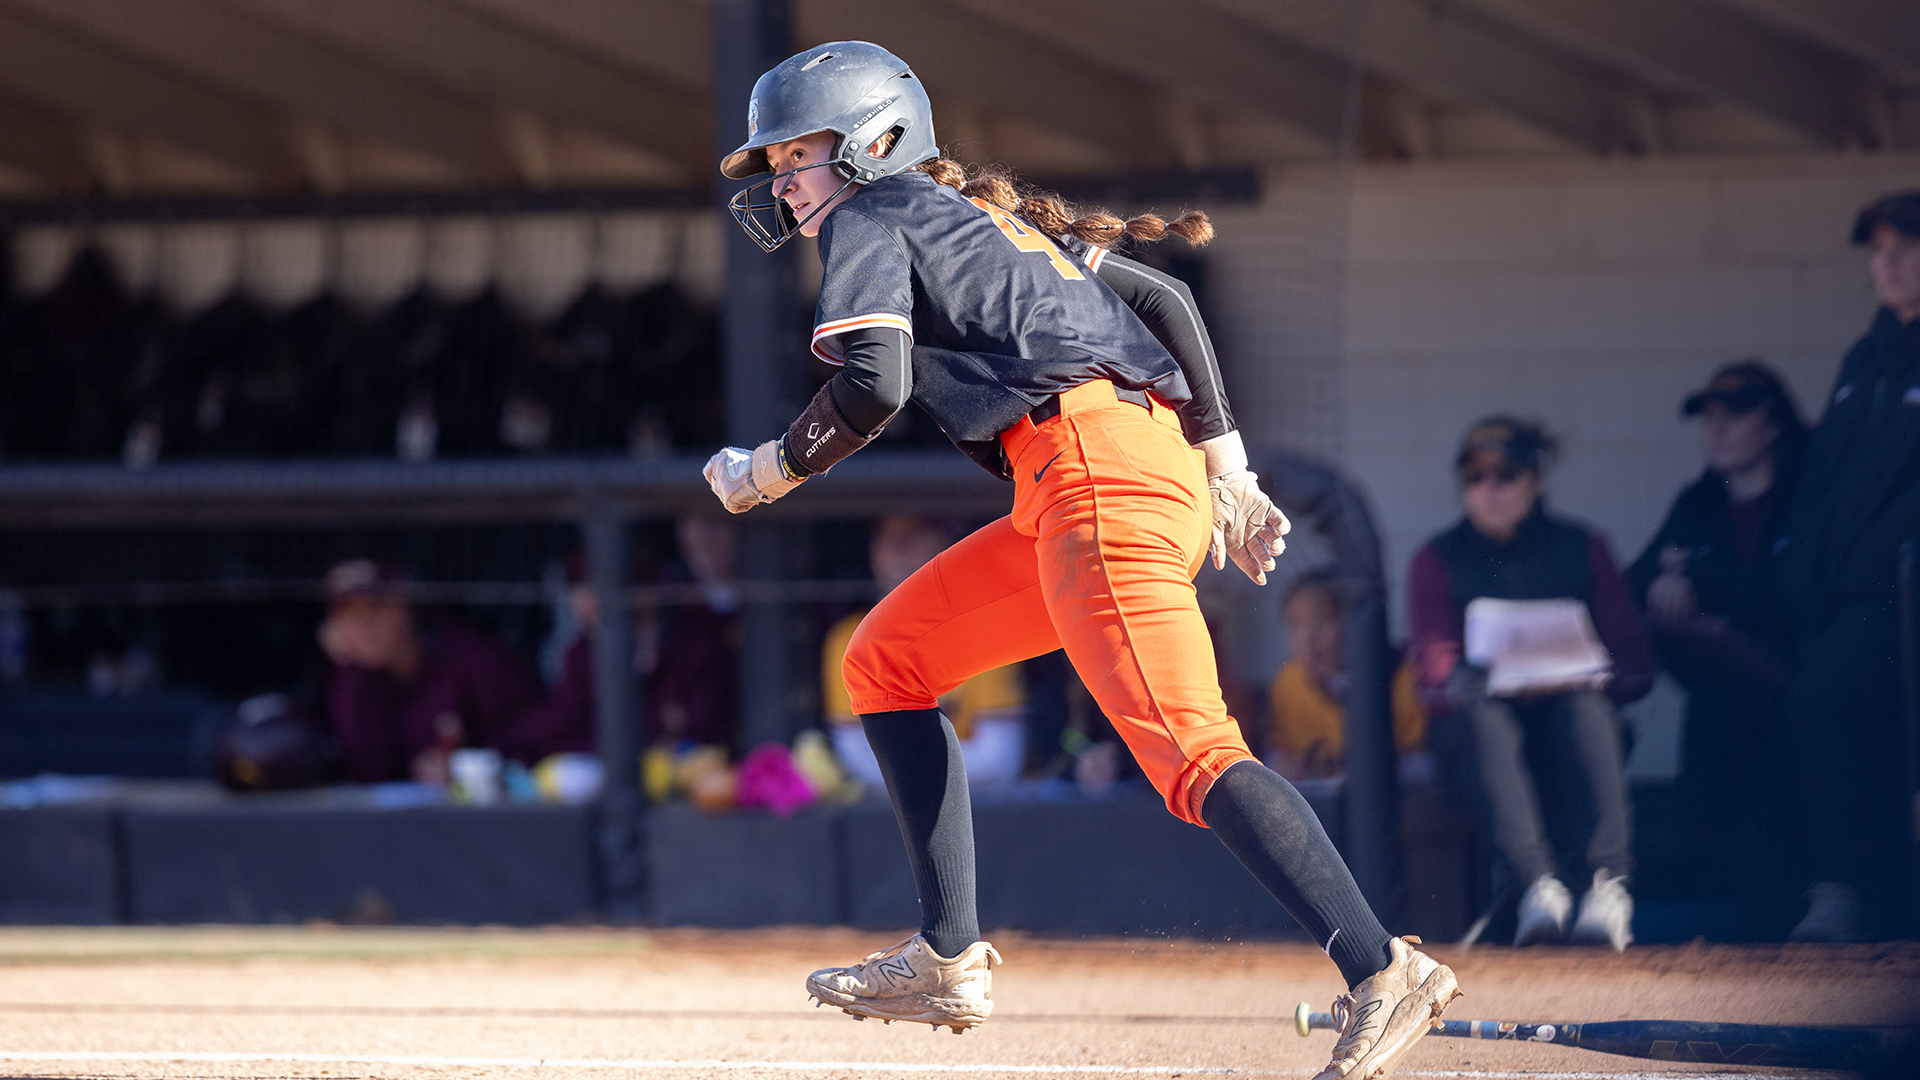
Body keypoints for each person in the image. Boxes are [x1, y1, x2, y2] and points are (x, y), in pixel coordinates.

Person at [702, 42, 1458, 1080]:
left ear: (877, 143)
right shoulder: (983, 219)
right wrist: (1224, 466)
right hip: (1098, 474)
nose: (784, 182)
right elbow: (1167, 301)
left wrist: (772, 469)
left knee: (1194, 756)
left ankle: (1383, 970)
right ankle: (948, 957)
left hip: (1096, 477)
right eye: (777, 160)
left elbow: (872, 387)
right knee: (886, 662)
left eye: (801, 155)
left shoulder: (876, 213)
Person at [1406, 418, 1655, 951]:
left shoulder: (1582, 546)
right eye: (1474, 478)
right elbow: (1432, 667)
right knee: (1483, 721)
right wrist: (1464, 678)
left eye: (1505, 475)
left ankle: (1608, 887)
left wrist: (1586, 674)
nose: (1489, 490)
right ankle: (1537, 888)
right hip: (1485, 732)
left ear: (1535, 480)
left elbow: (1635, 664)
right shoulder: (1437, 558)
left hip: (1571, 720)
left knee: (1586, 712)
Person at [1773, 190, 1920, 942]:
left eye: (1906, 246)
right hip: (1840, 600)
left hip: (1897, 598)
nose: (1889, 263)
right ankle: (1851, 893)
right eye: (1879, 250)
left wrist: (1870, 562)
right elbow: (1822, 476)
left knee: (1824, 701)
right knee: (1822, 710)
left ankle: (1847, 892)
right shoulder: (1865, 357)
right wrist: (1803, 569)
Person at [1626, 361, 1804, 924]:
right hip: (1721, 702)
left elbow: (1786, 594)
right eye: (1709, 419)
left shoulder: (1809, 490)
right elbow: (1633, 585)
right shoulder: (1700, 500)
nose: (1717, 430)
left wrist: (1694, 574)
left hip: (1796, 701)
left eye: (1734, 416)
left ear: (1773, 424)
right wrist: (1663, 578)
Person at [317, 558, 567, 783]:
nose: (364, 627)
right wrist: (350, 670)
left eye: (375, 609)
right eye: (349, 616)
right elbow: (366, 769)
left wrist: (465, 766)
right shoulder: (356, 679)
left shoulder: (472, 660)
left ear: (404, 607)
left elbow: (537, 740)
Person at [823, 516, 1026, 787]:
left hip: (979, 806)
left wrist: (909, 770)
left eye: (912, 537)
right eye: (887, 540)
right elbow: (854, 755)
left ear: (947, 544)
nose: (897, 551)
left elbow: (1001, 759)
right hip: (885, 806)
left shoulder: (986, 626)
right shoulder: (847, 637)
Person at [1267, 571, 1426, 782]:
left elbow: (1421, 763)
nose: (1309, 637)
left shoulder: (1405, 677)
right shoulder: (1288, 685)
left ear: (1357, 623)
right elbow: (1285, 757)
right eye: (1295, 624)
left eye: (1324, 620)